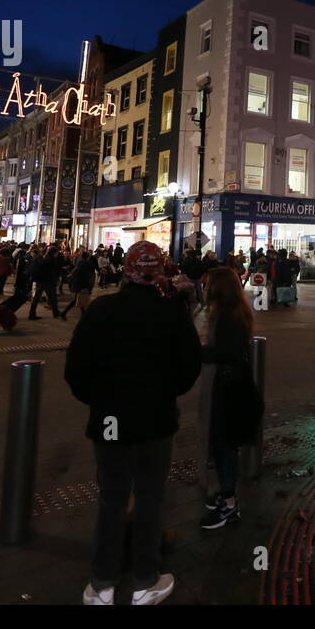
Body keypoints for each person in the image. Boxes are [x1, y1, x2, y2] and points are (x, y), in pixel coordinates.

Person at [65, 240, 201, 606]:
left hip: (110, 421)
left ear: (126, 271)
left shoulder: (101, 310)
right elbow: (190, 366)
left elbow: (76, 369)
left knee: (111, 498)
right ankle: (144, 579)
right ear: (158, 273)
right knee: (150, 497)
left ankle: (103, 582)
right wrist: (164, 393)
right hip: (155, 420)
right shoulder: (172, 312)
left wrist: (101, 400)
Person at [200, 266, 258, 529]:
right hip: (232, 384)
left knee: (225, 444)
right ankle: (225, 494)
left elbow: (227, 352)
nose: (205, 287)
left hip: (229, 387)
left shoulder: (227, 318)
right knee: (224, 442)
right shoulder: (235, 312)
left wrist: (201, 353)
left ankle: (229, 503)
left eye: (209, 284)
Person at [29, 244, 62, 320]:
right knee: (51, 298)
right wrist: (54, 281)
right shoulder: (51, 260)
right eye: (57, 253)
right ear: (54, 253)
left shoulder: (45, 257)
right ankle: (55, 313)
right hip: (47, 281)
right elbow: (51, 272)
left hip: (41, 281)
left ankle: (32, 314)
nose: (57, 254)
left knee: (38, 298)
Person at [62, 249, 97, 321]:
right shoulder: (86, 265)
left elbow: (76, 272)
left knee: (78, 300)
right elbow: (86, 276)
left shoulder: (80, 263)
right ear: (87, 257)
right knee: (78, 300)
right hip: (82, 285)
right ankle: (64, 313)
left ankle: (83, 315)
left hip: (78, 284)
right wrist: (88, 286)